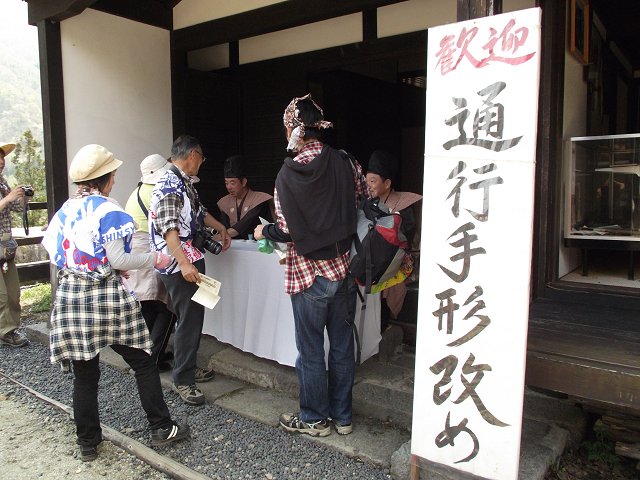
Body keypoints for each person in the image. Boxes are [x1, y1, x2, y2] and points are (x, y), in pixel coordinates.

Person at [41, 144, 189, 462]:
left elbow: (56, 254)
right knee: (142, 361)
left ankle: (88, 443)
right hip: (106, 296)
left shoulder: (64, 210)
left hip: (71, 297)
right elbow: (119, 258)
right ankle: (162, 427)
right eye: (113, 174)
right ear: (107, 178)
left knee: (85, 374)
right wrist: (155, 258)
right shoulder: (109, 210)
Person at [254, 94, 366, 437]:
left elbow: (286, 231)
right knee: (343, 347)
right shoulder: (346, 162)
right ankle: (343, 418)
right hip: (343, 269)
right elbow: (361, 199)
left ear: (294, 131)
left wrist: (262, 231)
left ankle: (315, 420)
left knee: (311, 350)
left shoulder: (286, 175)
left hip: (307, 275)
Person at [149, 134, 231, 406]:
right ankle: (183, 380)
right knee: (189, 317)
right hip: (179, 262)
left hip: (191, 257)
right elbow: (168, 228)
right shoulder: (169, 184)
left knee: (194, 314)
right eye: (202, 157)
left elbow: (199, 211)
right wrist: (184, 263)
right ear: (193, 155)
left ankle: (187, 364)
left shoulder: (183, 182)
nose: (202, 162)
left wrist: (220, 227)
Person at [124, 154, 174, 370]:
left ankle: (150, 355)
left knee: (147, 304)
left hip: (134, 249)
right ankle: (152, 358)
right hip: (148, 248)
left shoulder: (137, 191)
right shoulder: (157, 192)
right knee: (165, 305)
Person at [366, 150, 422, 332]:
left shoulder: (402, 206)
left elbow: (405, 241)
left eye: (373, 181)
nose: (368, 186)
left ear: (387, 183)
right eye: (367, 181)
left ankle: (383, 327)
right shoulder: (367, 203)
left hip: (395, 262)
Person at [0, 142, 28, 348]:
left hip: (5, 245)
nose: (1, 162)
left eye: (2, 158)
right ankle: (6, 332)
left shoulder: (2, 183)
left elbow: (17, 208)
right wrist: (8, 198)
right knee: (1, 295)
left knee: (13, 291)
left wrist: (22, 197)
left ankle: (11, 329)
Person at [216, 155, 275, 239]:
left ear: (244, 182)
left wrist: (218, 237)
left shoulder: (259, 199)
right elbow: (224, 227)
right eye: (226, 183)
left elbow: (244, 224)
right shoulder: (224, 202)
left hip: (258, 244)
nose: (229, 187)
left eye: (232, 183)